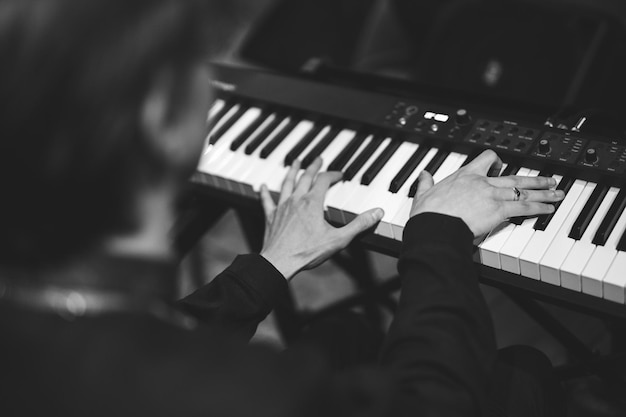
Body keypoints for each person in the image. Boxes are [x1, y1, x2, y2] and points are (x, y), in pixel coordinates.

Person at [0, 0, 566, 416]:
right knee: (521, 371)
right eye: (206, 62)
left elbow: (134, 347)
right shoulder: (238, 392)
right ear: (160, 120)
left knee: (343, 334)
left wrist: (265, 268)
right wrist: (440, 233)